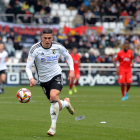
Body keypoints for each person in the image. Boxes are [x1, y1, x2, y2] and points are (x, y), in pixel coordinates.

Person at [26, 28, 75, 136]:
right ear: (41, 38)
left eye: (49, 38)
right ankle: (66, 103)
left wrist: (72, 70)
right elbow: (28, 67)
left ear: (52, 38)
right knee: (55, 103)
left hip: (56, 75)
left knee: (53, 96)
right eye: (45, 38)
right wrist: (31, 78)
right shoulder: (35, 49)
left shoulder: (58, 46)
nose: (47, 40)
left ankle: (53, 127)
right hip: (43, 80)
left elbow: (69, 57)